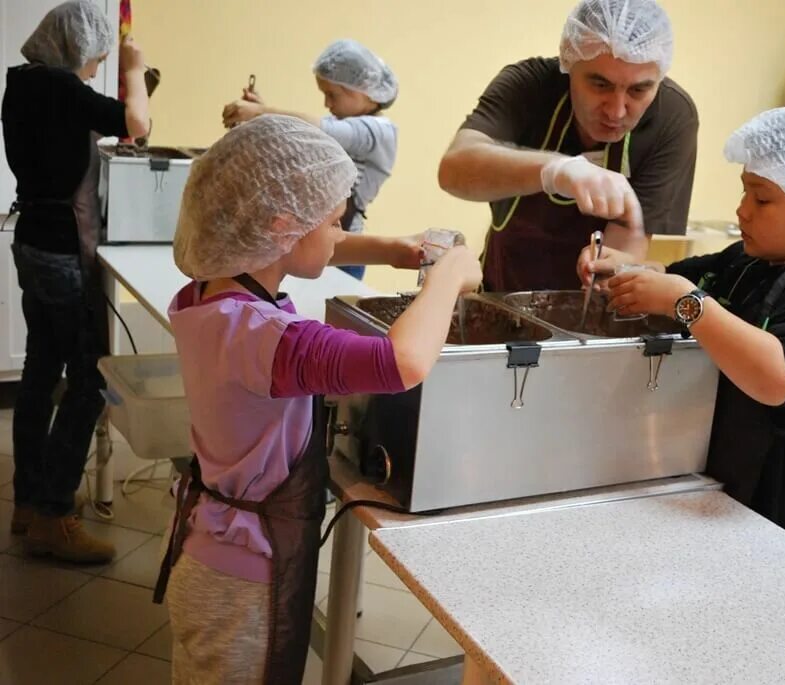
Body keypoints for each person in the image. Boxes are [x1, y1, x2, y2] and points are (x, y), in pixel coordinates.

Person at [153, 114, 481, 684]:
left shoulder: (211, 295)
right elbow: (402, 362)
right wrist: (448, 275)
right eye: (335, 223)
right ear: (282, 227)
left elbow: (305, 243)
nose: (338, 235)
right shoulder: (267, 338)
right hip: (241, 584)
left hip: (207, 548)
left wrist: (392, 250)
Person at [587, 107, 785, 544]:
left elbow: (778, 376)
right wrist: (629, 268)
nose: (742, 210)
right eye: (745, 192)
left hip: (767, 502)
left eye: (762, 198)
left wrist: (685, 303)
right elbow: (682, 277)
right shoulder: (751, 258)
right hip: (709, 472)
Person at [2, 1, 150, 563]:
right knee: (90, 381)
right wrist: (134, 69)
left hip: (33, 242)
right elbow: (136, 125)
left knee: (41, 371)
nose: (97, 65)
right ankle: (54, 514)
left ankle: (28, 501)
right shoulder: (60, 88)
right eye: (95, 56)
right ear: (72, 47)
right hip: (60, 250)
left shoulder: (23, 85)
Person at [438, 0, 698, 292]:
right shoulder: (530, 86)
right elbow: (454, 170)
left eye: (639, 90)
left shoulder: (672, 118)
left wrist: (604, 270)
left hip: (580, 309)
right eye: (600, 84)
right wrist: (555, 171)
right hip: (501, 286)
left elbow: (627, 238)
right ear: (569, 63)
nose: (617, 111)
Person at [222, 39, 399, 281]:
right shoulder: (347, 125)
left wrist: (262, 113)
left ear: (364, 92)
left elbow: (324, 129)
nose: (327, 103)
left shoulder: (380, 131)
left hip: (344, 244)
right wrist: (263, 112)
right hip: (318, 242)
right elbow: (306, 138)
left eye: (332, 94)